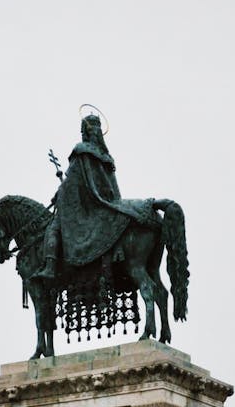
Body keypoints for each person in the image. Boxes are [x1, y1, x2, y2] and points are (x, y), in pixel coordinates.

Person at [35, 113, 150, 281]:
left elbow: (72, 182)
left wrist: (60, 192)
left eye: (83, 130)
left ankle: (50, 268)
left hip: (87, 205)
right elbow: (110, 186)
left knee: (54, 226)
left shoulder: (81, 150)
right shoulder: (106, 157)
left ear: (86, 131)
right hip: (108, 202)